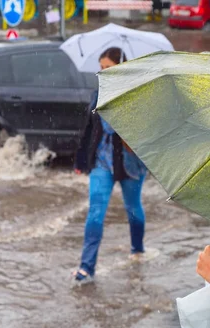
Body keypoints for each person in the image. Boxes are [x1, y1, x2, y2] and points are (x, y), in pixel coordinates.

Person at [73, 47, 148, 282]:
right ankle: (86, 268)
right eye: (101, 67)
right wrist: (80, 160)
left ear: (121, 66)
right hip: (102, 161)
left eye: (108, 67)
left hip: (130, 163)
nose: (103, 71)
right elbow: (89, 128)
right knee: (95, 212)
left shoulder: (135, 95)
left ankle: (137, 250)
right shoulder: (98, 94)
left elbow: (146, 131)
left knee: (133, 210)